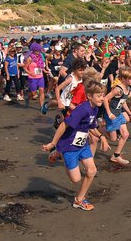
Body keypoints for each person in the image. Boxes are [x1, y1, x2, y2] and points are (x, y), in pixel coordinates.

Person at [41, 81, 111, 211]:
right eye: (99, 95)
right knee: (76, 179)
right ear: (89, 96)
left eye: (103, 95)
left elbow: (92, 126)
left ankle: (79, 200)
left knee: (92, 171)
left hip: (83, 144)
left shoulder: (94, 108)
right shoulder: (82, 109)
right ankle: (58, 152)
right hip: (69, 146)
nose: (102, 98)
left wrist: (102, 137)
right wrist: (53, 143)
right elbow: (63, 125)